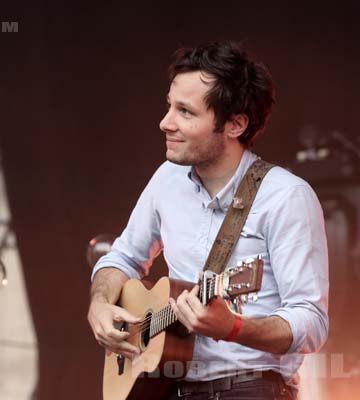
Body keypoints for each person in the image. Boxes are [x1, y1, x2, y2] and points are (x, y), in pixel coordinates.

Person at [87, 41, 329, 399]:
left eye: (185, 111)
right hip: (169, 387)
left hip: (249, 387)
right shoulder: (167, 178)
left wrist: (232, 327)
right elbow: (122, 258)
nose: (165, 122)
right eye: (169, 105)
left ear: (235, 124)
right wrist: (100, 304)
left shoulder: (286, 197)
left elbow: (311, 324)